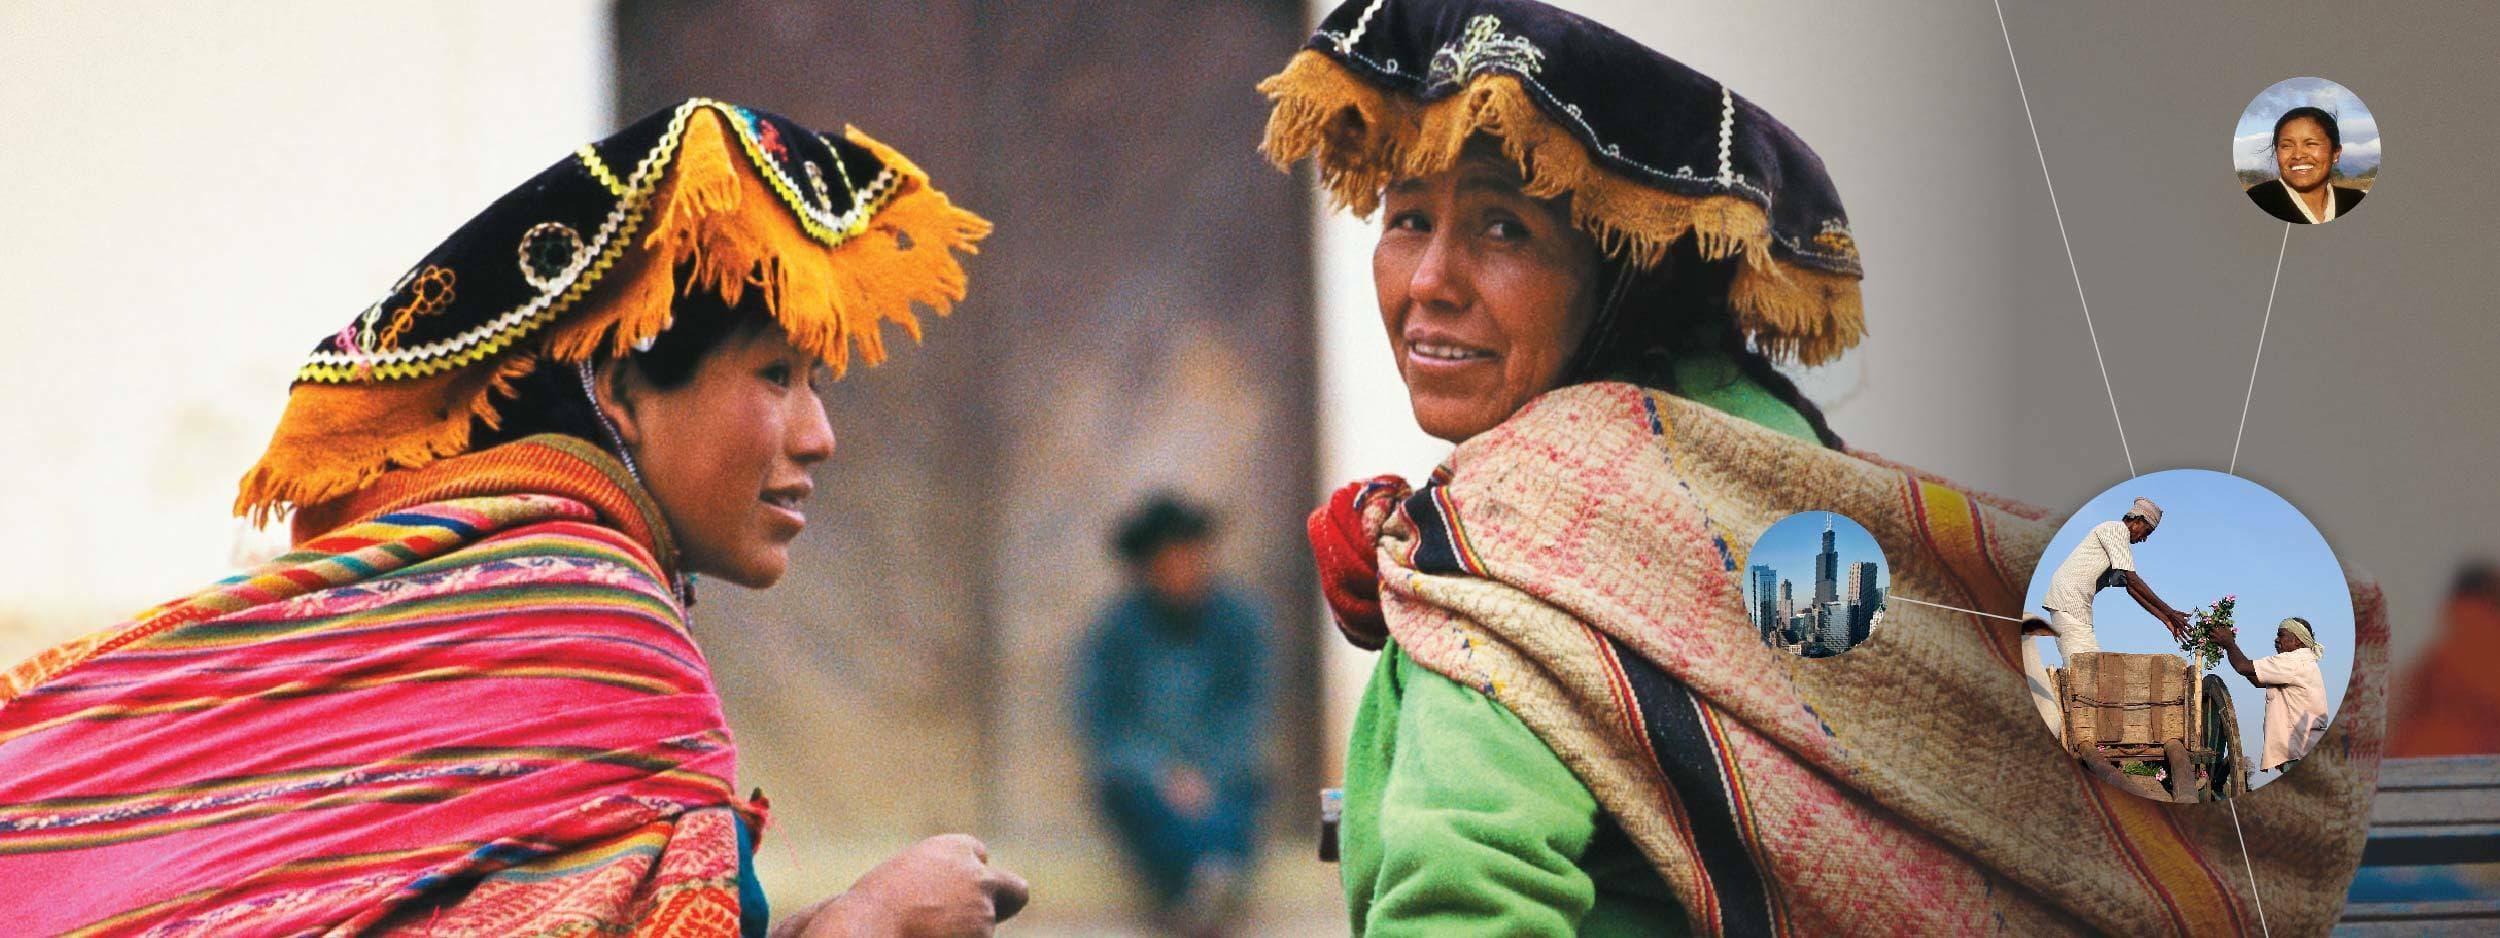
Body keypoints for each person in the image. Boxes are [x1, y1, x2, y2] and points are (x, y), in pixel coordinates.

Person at [1269, 1, 2383, 933]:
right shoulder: (1762, 460)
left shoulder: (1523, 523)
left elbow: (1462, 890)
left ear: (1616, 267)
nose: (1430, 281)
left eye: (1504, 230)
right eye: (1407, 219)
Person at [0, 99, 1024, 936]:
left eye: (816, 380)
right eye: (774, 374)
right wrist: (872, 922)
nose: (820, 435)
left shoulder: (481, 581)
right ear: (621, 389)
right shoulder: (592, 616)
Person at [1073, 495, 1270, 935]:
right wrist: (1162, 773)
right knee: (1143, 809)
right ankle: (1196, 885)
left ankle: (1211, 881)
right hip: (1147, 785)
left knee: (1234, 809)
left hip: (1221, 779)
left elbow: (1245, 712)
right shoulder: (1115, 632)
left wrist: (1207, 772)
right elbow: (1105, 726)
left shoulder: (1237, 622)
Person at [2037, 497, 2192, 662]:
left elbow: (2131, 588)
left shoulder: (2117, 543)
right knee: (2085, 666)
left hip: (2075, 605)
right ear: (2138, 521)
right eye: (2147, 532)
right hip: (2068, 601)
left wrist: (2166, 619)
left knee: (2091, 665)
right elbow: (2133, 581)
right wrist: (2170, 612)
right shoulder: (2117, 530)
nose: (2144, 539)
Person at [2388, 562, 2500, 756]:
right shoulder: (2478, 643)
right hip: (2480, 768)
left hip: (2415, 761)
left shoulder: (2438, 656)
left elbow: (2396, 708)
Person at [2213, 618, 2333, 772]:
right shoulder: (2303, 661)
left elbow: (2243, 666)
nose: (2276, 640)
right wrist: (2229, 646)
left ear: (2297, 640)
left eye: (2281, 635)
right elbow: (2257, 680)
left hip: (2298, 751)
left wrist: (2229, 644)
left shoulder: (2293, 661)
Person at [2245, 106, 2368, 224]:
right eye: (2286, 146)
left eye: (2311, 144)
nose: (2298, 155)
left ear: (2335, 153)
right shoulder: (2257, 200)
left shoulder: (2356, 201)